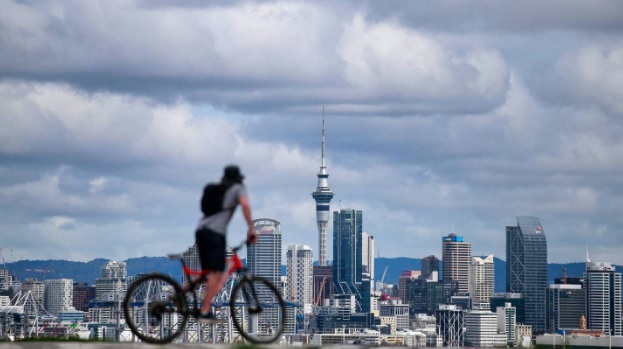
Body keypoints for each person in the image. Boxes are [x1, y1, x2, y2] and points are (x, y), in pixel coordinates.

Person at [195, 164, 257, 321]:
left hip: (201, 230)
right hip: (215, 233)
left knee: (208, 273)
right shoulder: (237, 188)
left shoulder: (218, 189)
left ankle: (175, 296)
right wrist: (251, 229)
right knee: (217, 271)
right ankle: (205, 310)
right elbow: (245, 205)